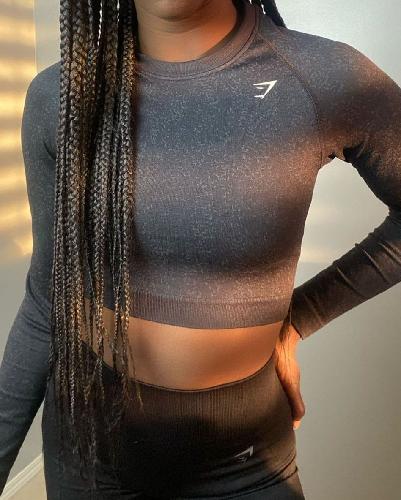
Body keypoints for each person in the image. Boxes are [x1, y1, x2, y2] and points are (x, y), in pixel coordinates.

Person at [1, 0, 400, 497]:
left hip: (246, 460)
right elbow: (47, 297)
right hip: (89, 452)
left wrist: (300, 318)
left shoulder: (323, 77)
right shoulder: (63, 95)